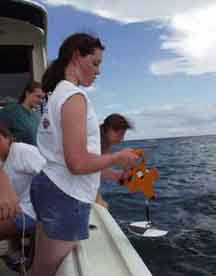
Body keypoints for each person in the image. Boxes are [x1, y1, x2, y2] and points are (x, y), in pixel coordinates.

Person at [28, 33, 139, 276]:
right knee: (43, 272)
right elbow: (77, 163)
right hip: (65, 196)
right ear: (77, 56)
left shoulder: (57, 94)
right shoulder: (74, 97)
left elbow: (71, 157)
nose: (98, 71)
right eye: (96, 63)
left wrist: (116, 175)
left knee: (39, 268)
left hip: (52, 188)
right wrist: (117, 157)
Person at [0, 124, 45, 242]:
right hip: (11, 209)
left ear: (8, 138)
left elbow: (50, 176)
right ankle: (14, 253)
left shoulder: (22, 151)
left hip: (30, 211)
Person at [96, 113, 134, 208]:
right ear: (109, 129)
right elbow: (87, 170)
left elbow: (97, 168)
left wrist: (118, 176)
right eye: (120, 134)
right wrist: (98, 199)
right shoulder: (94, 141)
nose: (122, 139)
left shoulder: (106, 142)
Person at [0, 81, 45, 145]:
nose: (41, 101)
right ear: (27, 93)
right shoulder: (11, 111)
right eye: (38, 96)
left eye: (42, 98)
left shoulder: (36, 115)